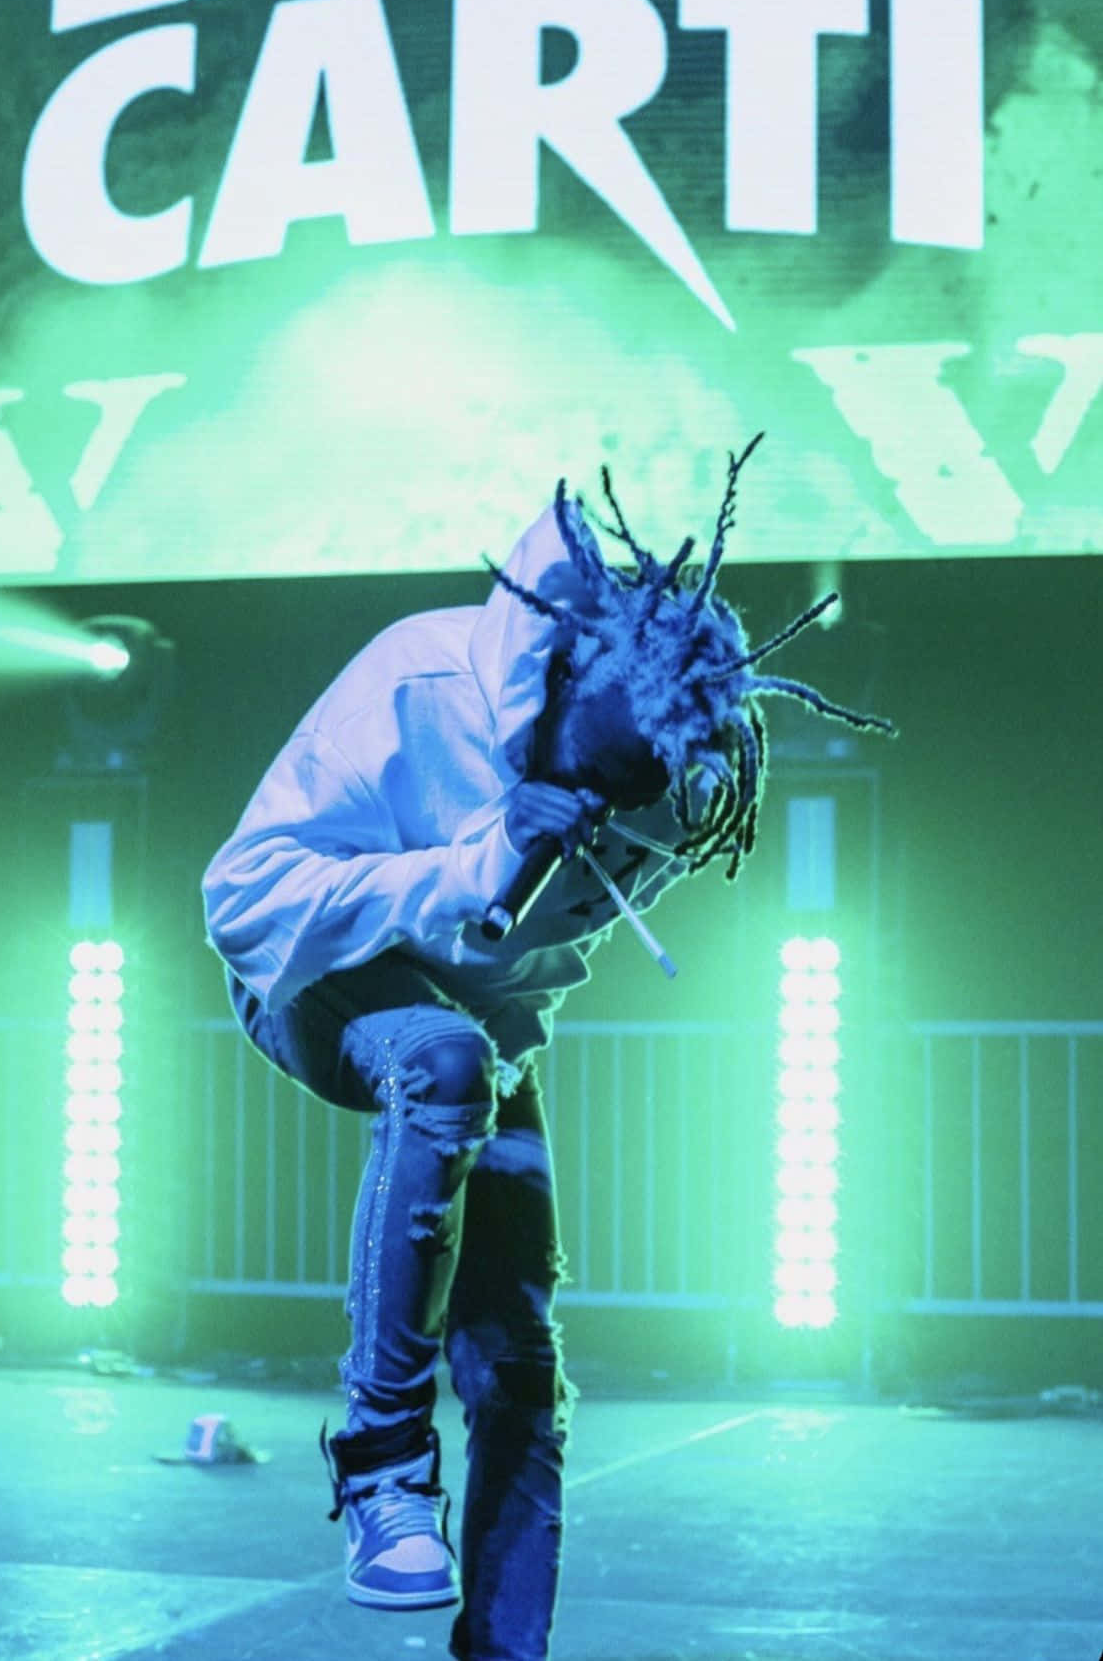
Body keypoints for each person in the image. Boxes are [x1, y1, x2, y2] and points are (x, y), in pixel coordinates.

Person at [200, 439, 893, 1661]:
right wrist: (479, 859)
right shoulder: (418, 685)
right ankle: (382, 1466)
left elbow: (532, 969)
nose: (598, 806)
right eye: (583, 772)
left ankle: (507, 1652)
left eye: (625, 793)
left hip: (481, 1026)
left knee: (521, 1357)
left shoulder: (670, 785)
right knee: (442, 1062)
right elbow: (243, 900)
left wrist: (515, 917)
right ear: (560, 677)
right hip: (310, 971)